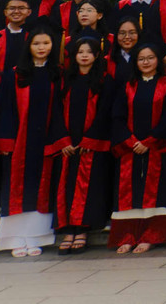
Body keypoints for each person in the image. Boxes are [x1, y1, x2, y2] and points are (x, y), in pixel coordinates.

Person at [0, 18, 61, 257]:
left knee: (42, 188)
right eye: (37, 43)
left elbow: (61, 110)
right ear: (28, 46)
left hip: (46, 140)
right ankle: (13, 239)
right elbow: (5, 109)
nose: (42, 47)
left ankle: (36, 236)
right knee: (17, 187)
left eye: (46, 43)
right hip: (20, 141)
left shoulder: (56, 74)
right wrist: (5, 142)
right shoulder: (14, 75)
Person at [111, 41, 166, 254]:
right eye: (141, 59)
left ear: (158, 60)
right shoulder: (127, 85)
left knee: (156, 192)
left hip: (157, 148)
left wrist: (150, 142)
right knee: (127, 192)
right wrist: (132, 142)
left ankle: (151, 236)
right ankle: (127, 236)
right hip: (130, 149)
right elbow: (117, 116)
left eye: (150, 58)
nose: (146, 62)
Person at [51, 33, 114, 254]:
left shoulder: (105, 81)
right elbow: (56, 111)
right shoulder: (65, 80)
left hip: (92, 144)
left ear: (97, 55)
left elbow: (105, 112)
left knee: (89, 186)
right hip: (69, 143)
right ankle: (69, 229)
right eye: (80, 52)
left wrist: (91, 138)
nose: (84, 56)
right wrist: (63, 139)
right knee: (67, 185)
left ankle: (82, 230)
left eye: (89, 52)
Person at [0, 0, 33, 90]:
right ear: (5, 12)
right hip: (0, 86)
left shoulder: (34, 37)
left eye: (21, 8)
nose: (16, 11)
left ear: (29, 12)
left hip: (27, 87)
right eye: (12, 8)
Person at [108, 16, 140, 90]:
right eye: (122, 33)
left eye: (132, 33)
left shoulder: (144, 59)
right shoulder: (108, 60)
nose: (127, 37)